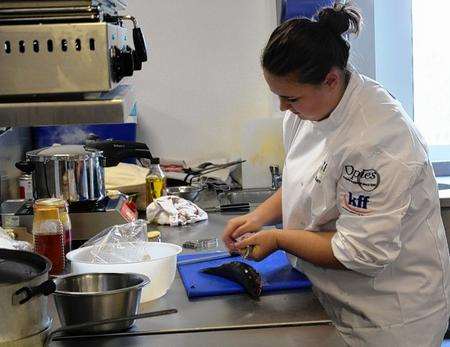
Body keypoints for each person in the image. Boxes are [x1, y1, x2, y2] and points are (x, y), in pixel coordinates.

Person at [222, 2, 450, 346]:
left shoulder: (378, 139)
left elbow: (361, 252)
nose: (283, 108)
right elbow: (308, 182)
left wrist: (279, 238)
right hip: (329, 295)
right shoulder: (310, 109)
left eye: (290, 97)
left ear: (330, 79)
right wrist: (258, 217)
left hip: (388, 317)